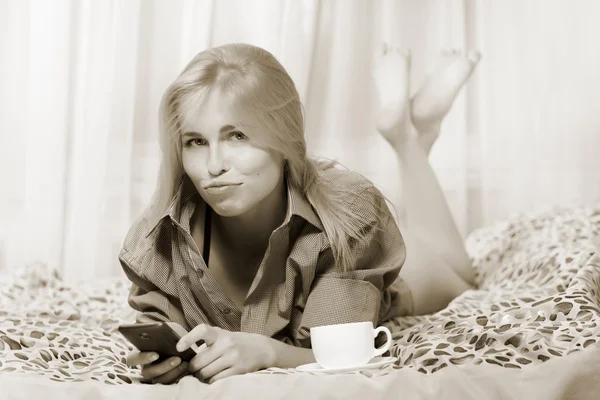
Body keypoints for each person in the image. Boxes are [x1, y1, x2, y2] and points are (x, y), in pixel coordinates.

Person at [120, 43, 481, 384]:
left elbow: (345, 357)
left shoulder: (350, 215)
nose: (214, 166)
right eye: (196, 141)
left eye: (238, 136)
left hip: (402, 275)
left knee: (463, 275)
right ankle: (416, 131)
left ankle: (405, 136)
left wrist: (265, 351)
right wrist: (165, 363)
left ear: (285, 138)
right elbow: (164, 332)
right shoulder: (158, 239)